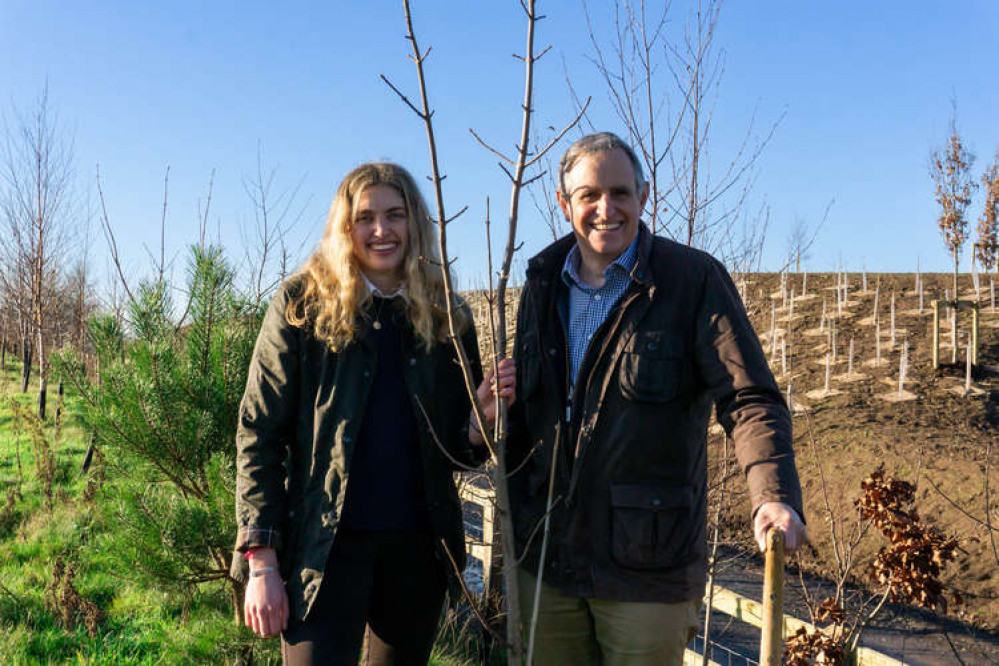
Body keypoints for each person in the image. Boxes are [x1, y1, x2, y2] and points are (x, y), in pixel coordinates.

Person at [506, 132, 806, 665]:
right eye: (589, 195)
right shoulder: (541, 285)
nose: (606, 209)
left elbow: (748, 398)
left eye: (620, 192)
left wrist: (772, 495)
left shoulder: (691, 280)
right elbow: (527, 414)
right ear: (563, 203)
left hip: (647, 568)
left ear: (645, 196)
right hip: (547, 560)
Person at [232, 162, 514, 665]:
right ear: (346, 226)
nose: (382, 230)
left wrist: (479, 424)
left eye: (395, 215)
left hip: (417, 555)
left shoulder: (447, 313)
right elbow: (259, 433)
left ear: (415, 223)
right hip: (322, 552)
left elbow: (457, 453)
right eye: (366, 217)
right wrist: (261, 561)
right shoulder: (302, 306)